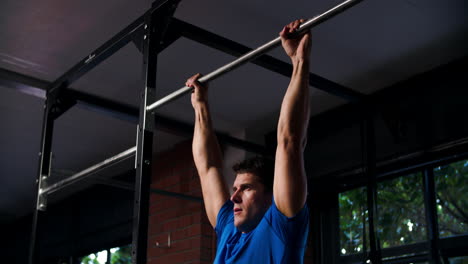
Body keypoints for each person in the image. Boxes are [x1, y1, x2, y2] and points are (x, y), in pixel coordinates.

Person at [186, 19, 311, 264]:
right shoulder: (229, 230)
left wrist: (299, 62)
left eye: (247, 188)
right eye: (236, 189)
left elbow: (290, 141)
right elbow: (208, 167)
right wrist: (200, 105)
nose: (234, 197)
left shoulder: (280, 227)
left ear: (270, 196)